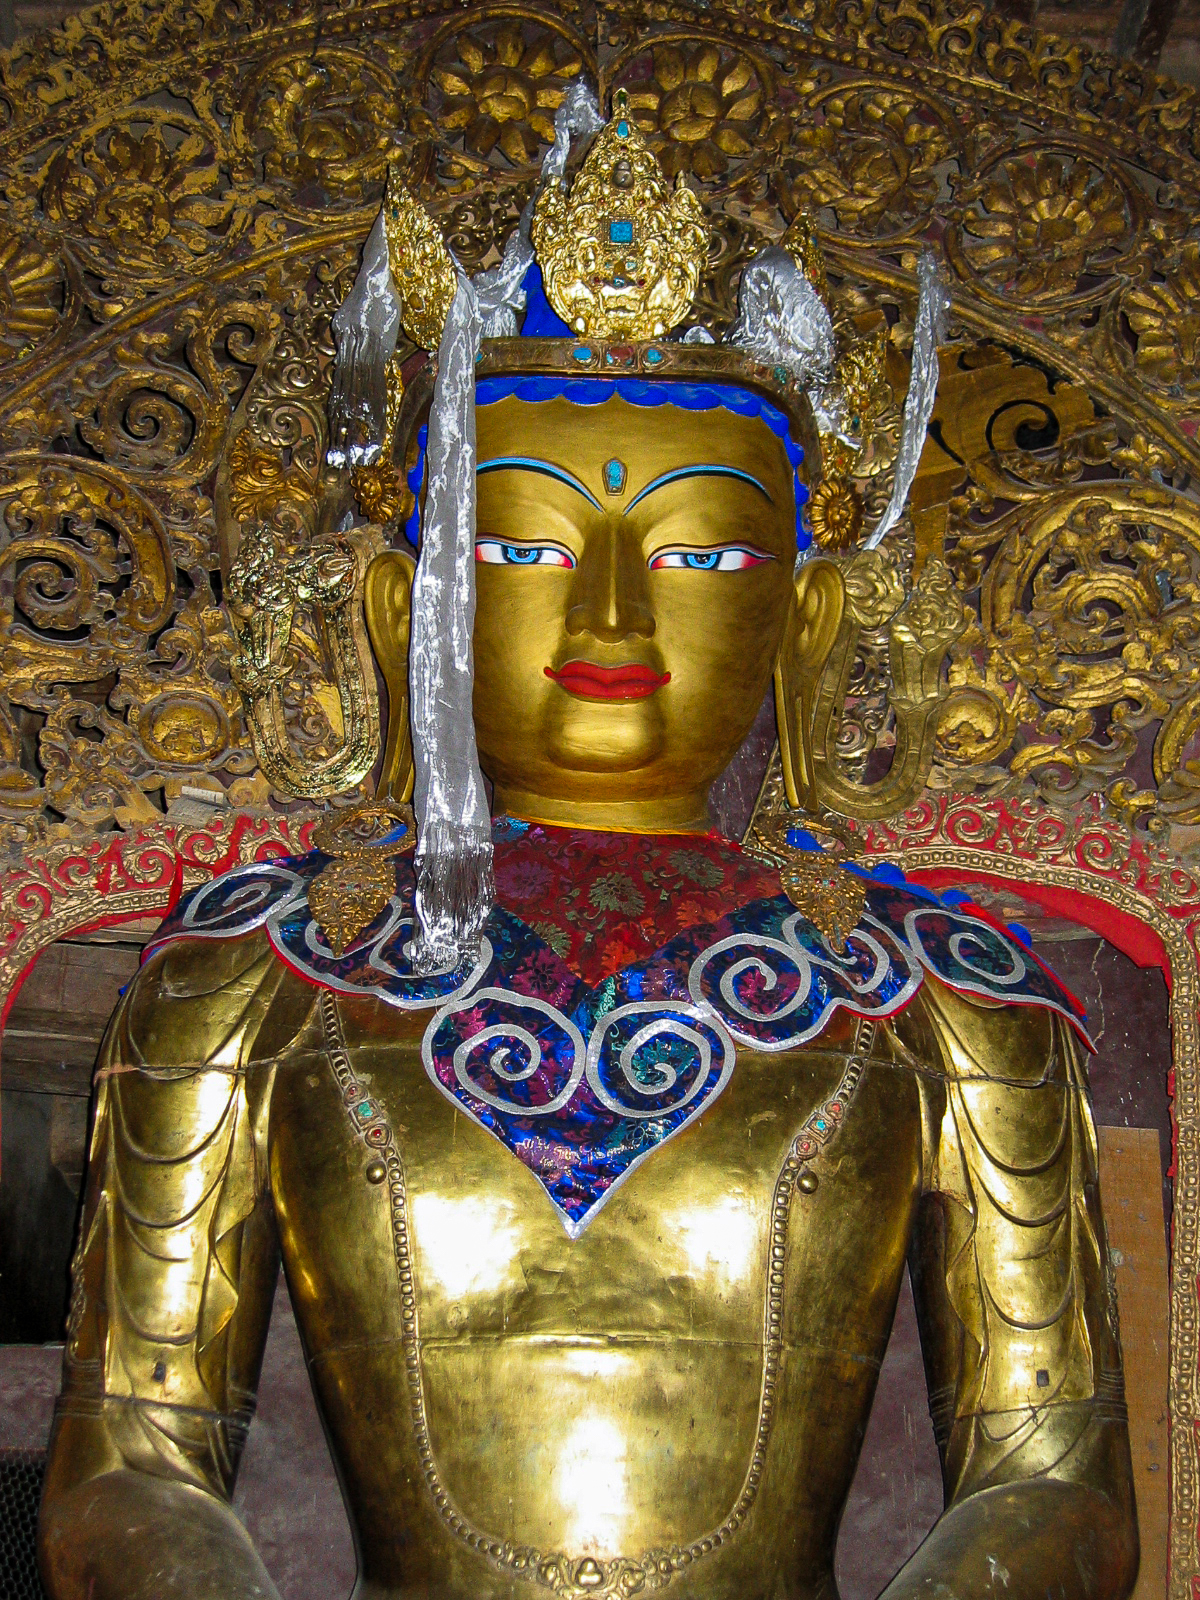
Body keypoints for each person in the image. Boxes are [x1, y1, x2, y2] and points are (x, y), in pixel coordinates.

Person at [38, 92, 1137, 1600]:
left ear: (806, 620)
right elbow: (131, 1467)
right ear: (394, 607)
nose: (612, 617)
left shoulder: (947, 999)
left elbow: (1056, 1489)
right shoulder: (246, 978)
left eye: (696, 553)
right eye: (522, 547)